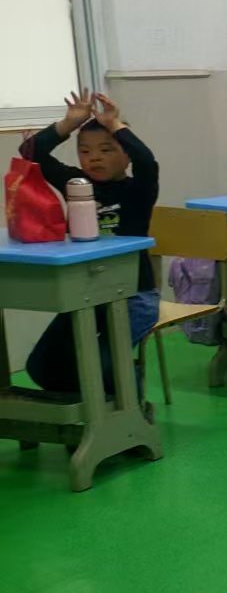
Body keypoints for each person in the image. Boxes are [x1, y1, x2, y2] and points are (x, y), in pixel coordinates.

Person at [23, 90, 160, 397]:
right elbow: (30, 152)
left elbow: (147, 162)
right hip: (85, 291)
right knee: (42, 366)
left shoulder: (137, 191)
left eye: (106, 149)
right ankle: (90, 410)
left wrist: (115, 124)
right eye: (84, 151)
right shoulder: (75, 184)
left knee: (104, 368)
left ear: (125, 154)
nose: (94, 158)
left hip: (132, 295)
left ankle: (131, 409)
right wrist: (69, 123)